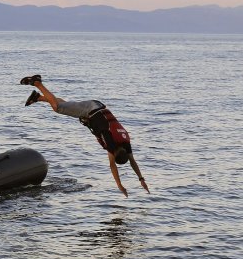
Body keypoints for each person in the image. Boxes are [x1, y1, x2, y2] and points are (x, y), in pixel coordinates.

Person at [21, 74, 150, 197]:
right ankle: (37, 83)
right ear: (115, 152)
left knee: (65, 105)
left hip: (97, 107)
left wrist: (141, 179)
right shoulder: (110, 142)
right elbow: (112, 165)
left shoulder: (125, 143)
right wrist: (119, 185)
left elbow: (132, 161)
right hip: (90, 110)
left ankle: (38, 97)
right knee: (58, 108)